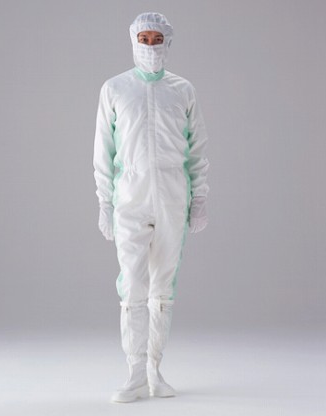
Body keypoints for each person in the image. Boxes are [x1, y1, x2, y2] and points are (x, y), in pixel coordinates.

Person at [93, 12, 209, 403]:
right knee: (132, 285)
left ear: (167, 42)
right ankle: (134, 373)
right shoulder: (115, 89)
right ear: (133, 41)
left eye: (157, 39)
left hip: (173, 199)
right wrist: (105, 202)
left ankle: (154, 371)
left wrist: (200, 198)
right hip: (130, 199)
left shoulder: (183, 91)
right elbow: (103, 151)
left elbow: (198, 149)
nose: (150, 46)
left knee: (163, 287)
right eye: (143, 39)